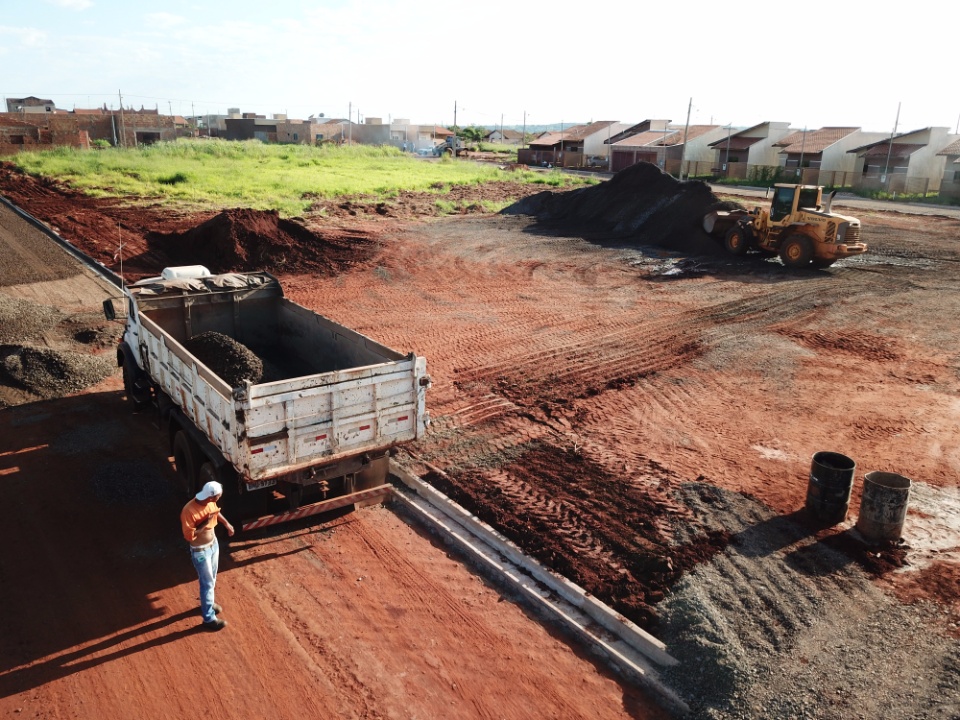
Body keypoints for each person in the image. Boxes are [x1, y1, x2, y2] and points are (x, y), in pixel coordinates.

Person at [180, 480, 234, 631]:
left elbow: (216, 512)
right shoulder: (188, 511)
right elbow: (189, 536)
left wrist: (227, 524)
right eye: (218, 497)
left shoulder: (209, 502)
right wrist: (205, 524)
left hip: (213, 546)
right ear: (212, 497)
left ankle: (207, 604)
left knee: (212, 579)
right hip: (201, 552)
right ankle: (208, 619)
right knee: (207, 583)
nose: (218, 499)